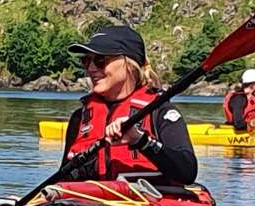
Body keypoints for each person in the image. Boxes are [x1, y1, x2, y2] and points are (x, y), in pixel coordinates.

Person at [59, 25, 198, 185]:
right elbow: (64, 180)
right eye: (86, 60)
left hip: (147, 203)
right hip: (90, 205)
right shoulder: (80, 117)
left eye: (100, 60)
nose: (90, 68)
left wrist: (141, 140)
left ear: (129, 64)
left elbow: (188, 172)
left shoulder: (160, 112)